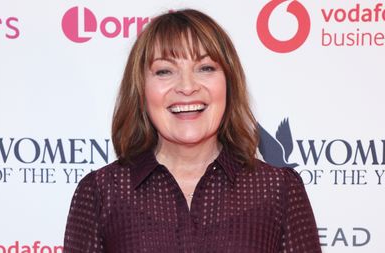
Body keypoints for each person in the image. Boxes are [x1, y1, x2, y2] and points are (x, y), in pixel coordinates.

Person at [63, 9, 321, 253]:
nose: (187, 87)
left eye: (205, 68)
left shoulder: (278, 188)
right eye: (165, 71)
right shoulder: (102, 192)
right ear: (141, 90)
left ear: (229, 83)